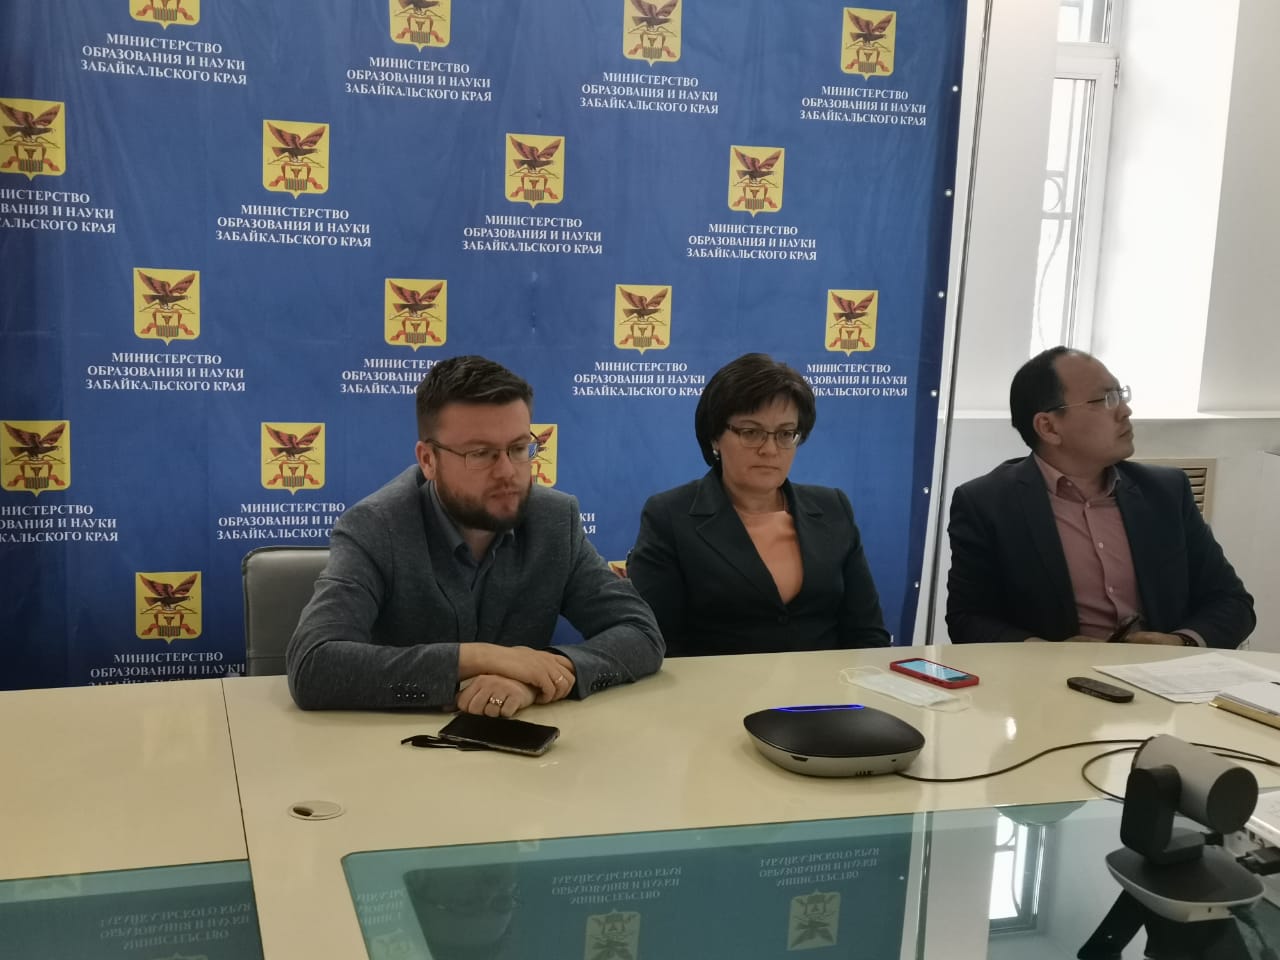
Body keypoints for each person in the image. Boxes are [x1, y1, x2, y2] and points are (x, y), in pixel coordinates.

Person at [286, 355, 664, 712]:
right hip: (397, 745)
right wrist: (483, 658)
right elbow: (313, 665)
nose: (507, 472)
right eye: (480, 454)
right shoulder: (375, 526)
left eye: (519, 448)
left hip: (524, 744)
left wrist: (538, 678)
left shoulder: (554, 520)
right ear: (428, 460)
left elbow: (640, 632)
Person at [946, 346, 1254, 647]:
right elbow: (968, 619)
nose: (1125, 410)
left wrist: (1180, 641)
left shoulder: (1165, 491)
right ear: (1049, 427)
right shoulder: (988, 504)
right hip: (1051, 677)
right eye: (1106, 399)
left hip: (1160, 673)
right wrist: (1045, 652)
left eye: (1121, 394)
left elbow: (1232, 601)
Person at [628, 353, 889, 656]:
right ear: (715, 437)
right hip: (714, 686)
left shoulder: (833, 508)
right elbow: (658, 643)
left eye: (785, 434)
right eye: (751, 432)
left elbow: (867, 633)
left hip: (825, 685)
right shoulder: (669, 516)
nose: (770, 449)